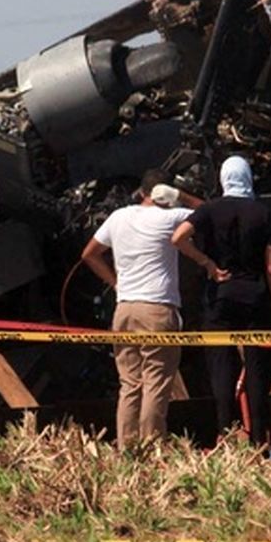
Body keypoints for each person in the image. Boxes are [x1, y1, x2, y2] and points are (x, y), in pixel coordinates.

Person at [171, 156, 271, 448]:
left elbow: (178, 238)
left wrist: (207, 263)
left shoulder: (209, 210)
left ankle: (226, 432)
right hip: (256, 299)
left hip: (220, 297)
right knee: (259, 369)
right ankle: (259, 437)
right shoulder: (266, 214)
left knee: (221, 365)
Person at [81, 170, 195, 450]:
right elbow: (208, 211)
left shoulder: (119, 216)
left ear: (141, 193)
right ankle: (152, 447)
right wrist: (181, 196)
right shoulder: (170, 217)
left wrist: (116, 284)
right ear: (165, 193)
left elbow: (89, 254)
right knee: (156, 381)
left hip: (125, 309)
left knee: (130, 383)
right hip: (156, 308)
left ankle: (127, 448)